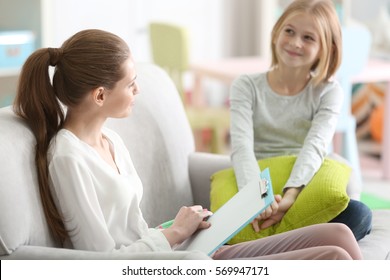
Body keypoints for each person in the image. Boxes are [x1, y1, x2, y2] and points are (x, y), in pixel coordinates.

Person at [13, 28, 363, 260]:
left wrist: (178, 228)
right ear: (101, 95)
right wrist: (172, 236)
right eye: (131, 84)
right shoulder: (68, 158)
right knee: (334, 257)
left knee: (341, 235)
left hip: (177, 253)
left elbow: (134, 230)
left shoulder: (112, 141)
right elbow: (103, 261)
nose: (138, 91)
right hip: (166, 264)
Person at [230, 0, 372, 241]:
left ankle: (280, 247)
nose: (295, 43)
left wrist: (291, 196)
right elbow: (241, 147)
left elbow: (315, 146)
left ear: (326, 47)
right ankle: (294, 248)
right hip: (260, 182)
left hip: (304, 184)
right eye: (289, 31)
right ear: (276, 33)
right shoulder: (246, 86)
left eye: (308, 38)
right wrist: (260, 198)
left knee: (360, 215)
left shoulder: (329, 92)